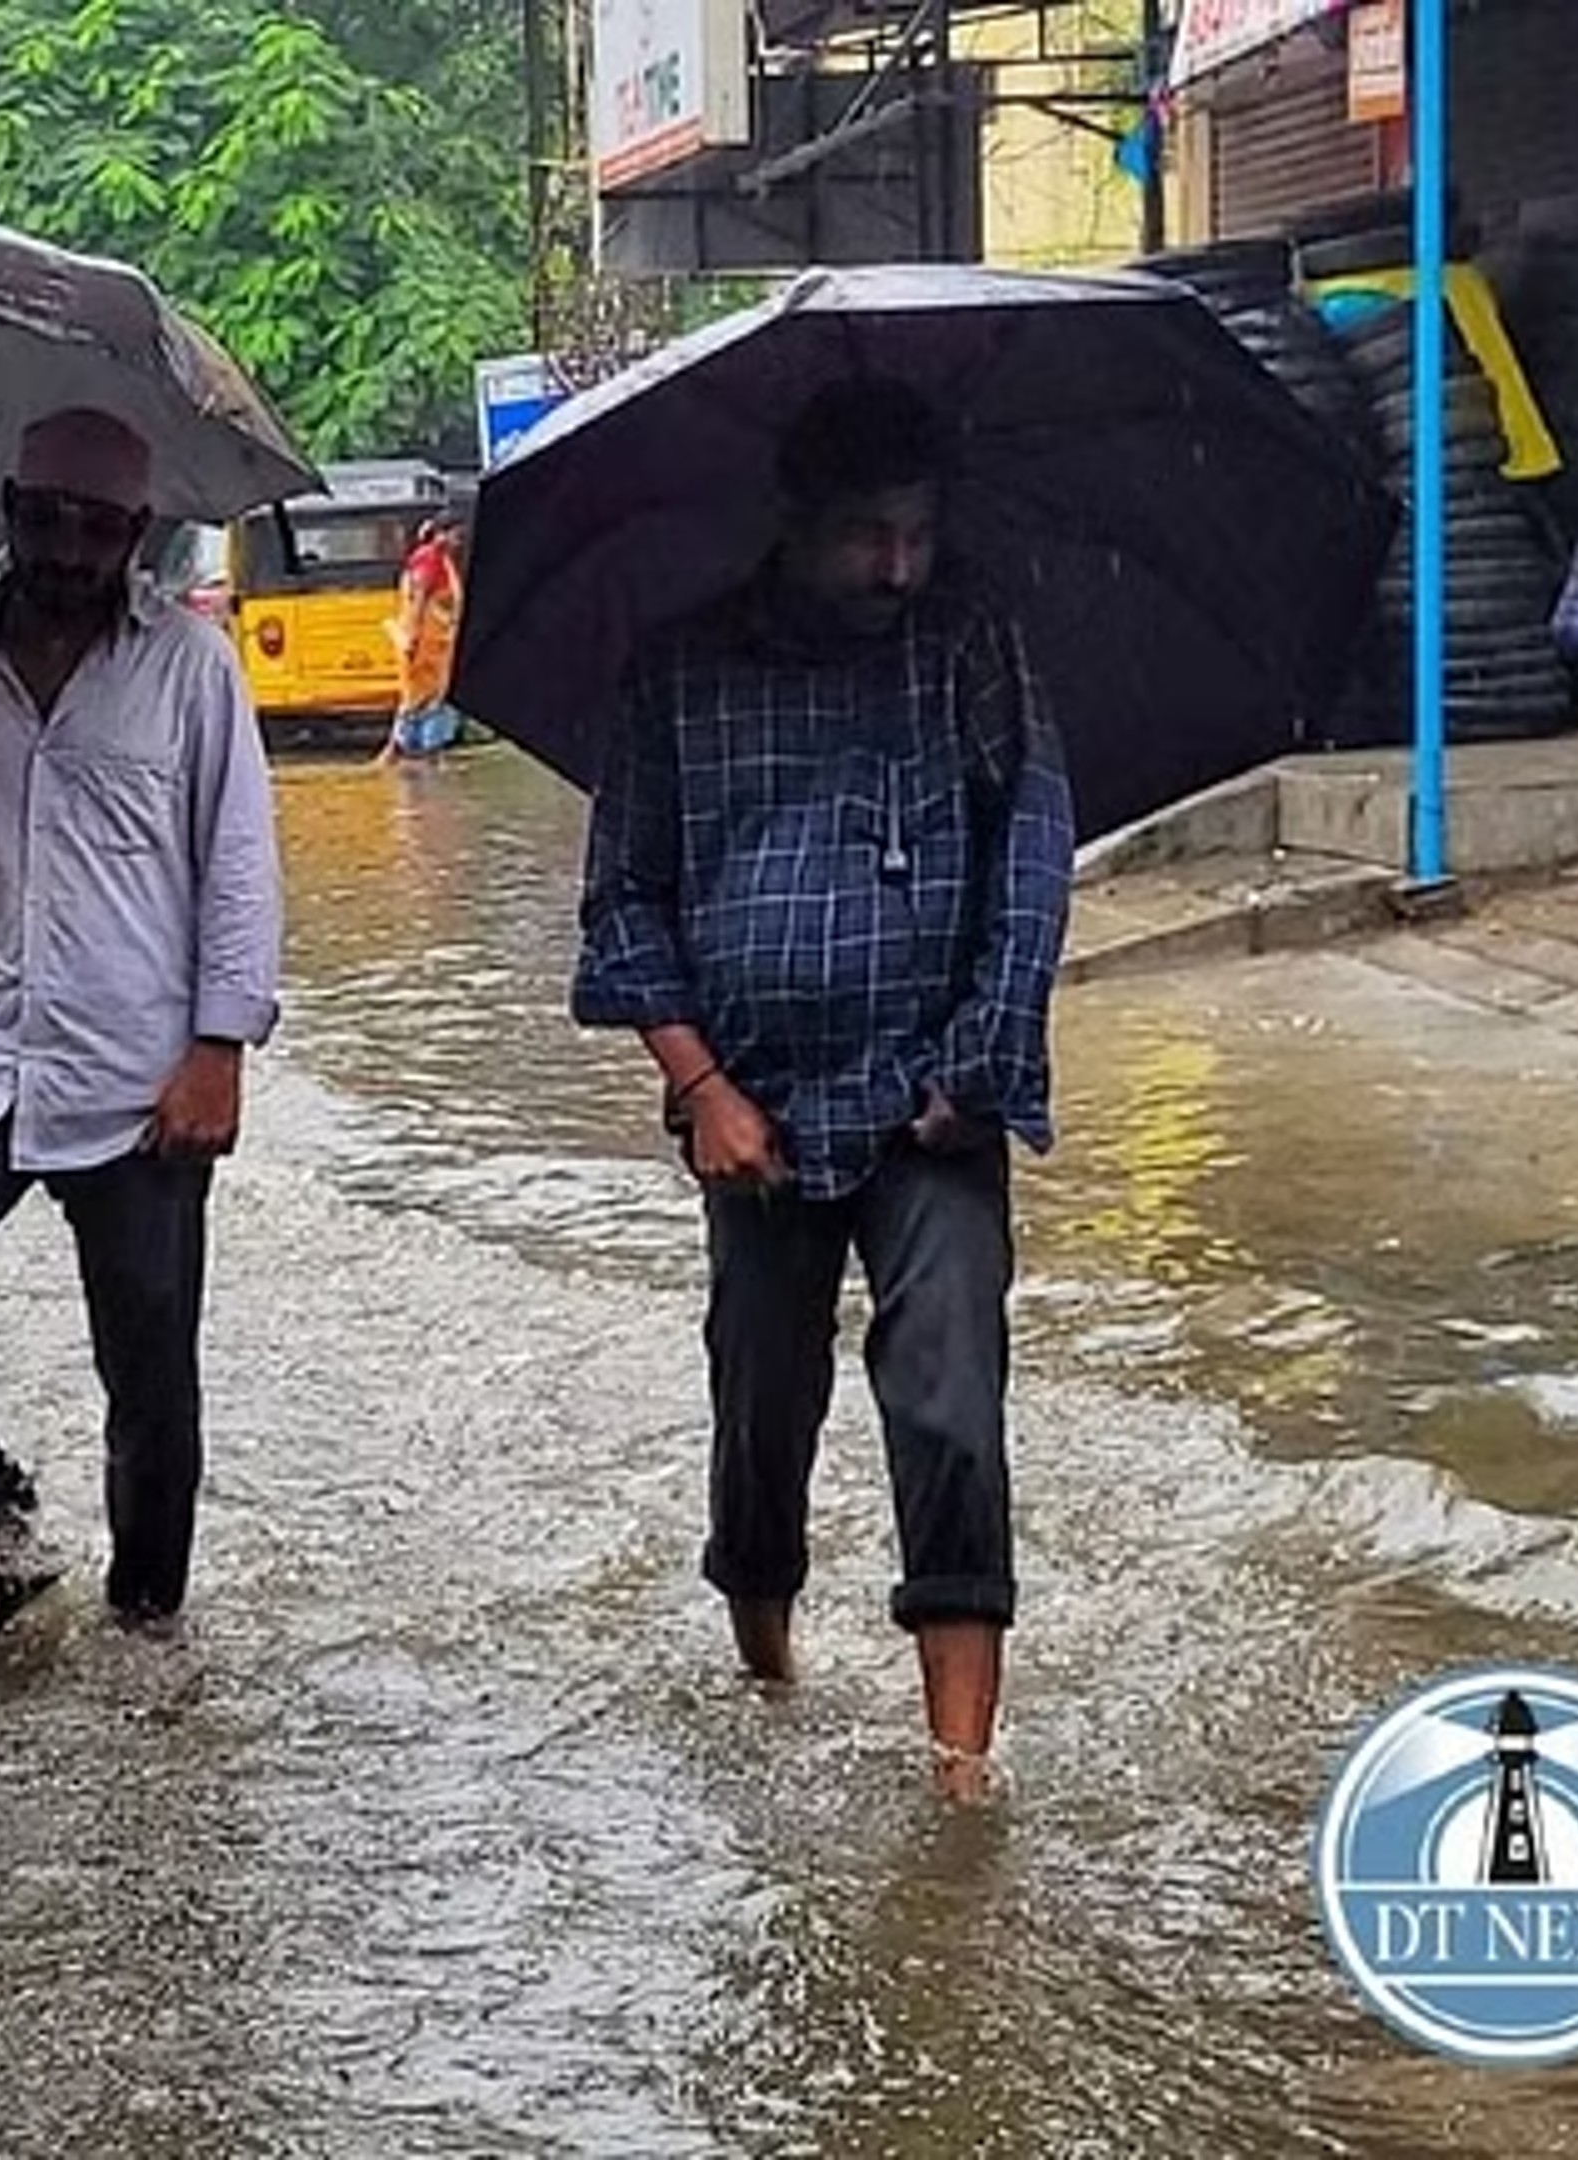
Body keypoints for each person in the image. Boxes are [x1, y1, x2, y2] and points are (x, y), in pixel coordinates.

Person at [567, 377, 1075, 1799]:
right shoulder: (678, 671)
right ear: (794, 523)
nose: (897, 567)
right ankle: (767, 1666)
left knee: (953, 1400)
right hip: (758, 1113)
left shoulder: (966, 641)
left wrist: (984, 1053)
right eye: (867, 537)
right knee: (761, 1401)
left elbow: (1030, 855)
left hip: (935, 1102)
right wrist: (702, 1087)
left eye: (916, 533)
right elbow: (622, 906)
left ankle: (960, 1769)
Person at [0, 407, 287, 1660]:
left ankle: (149, 1628)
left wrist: (220, 1048)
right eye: (47, 519)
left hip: (138, 1072)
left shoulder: (191, 670)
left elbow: (238, 867)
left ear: (137, 535)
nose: (69, 549)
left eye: (98, 528)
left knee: (149, 1380)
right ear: (9, 514)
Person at [377, 511, 469, 766]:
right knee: (423, 702)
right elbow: (418, 600)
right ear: (441, 534)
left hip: (438, 646)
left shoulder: (440, 559)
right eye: (455, 536)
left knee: (421, 700)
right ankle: (424, 757)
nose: (459, 541)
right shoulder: (428, 560)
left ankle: (410, 756)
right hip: (425, 645)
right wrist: (413, 638)